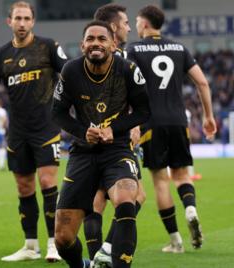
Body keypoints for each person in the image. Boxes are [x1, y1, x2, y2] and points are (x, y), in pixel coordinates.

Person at [0, 1, 67, 262]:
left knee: (47, 182)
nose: (22, 23)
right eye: (17, 18)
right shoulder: (1, 54)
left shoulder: (48, 46)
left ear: (33, 22)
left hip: (46, 127)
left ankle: (54, 244)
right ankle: (30, 246)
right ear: (9, 22)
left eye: (26, 18)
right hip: (18, 132)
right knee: (23, 187)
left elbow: (71, 73)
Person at [52, 20, 151, 268]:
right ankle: (84, 265)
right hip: (82, 154)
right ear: (83, 44)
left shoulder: (128, 69)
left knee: (128, 201)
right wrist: (82, 131)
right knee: (62, 239)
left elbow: (144, 110)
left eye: (102, 39)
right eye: (91, 39)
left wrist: (114, 129)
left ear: (113, 44)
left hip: (117, 150)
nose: (96, 43)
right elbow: (58, 112)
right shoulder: (70, 71)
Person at [126, 5, 217, 251]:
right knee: (182, 175)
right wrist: (208, 116)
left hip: (150, 124)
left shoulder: (133, 49)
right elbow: (202, 82)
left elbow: (125, 87)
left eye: (136, 22)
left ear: (144, 24)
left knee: (160, 182)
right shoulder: (179, 48)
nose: (135, 26)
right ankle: (190, 209)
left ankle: (176, 241)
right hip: (179, 121)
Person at [83, 4, 146, 267]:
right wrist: (128, 124)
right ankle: (105, 251)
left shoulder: (89, 57)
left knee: (99, 198)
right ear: (112, 28)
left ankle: (99, 254)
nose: (130, 27)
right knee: (135, 196)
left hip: (89, 136)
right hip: (113, 139)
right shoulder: (116, 57)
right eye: (126, 23)